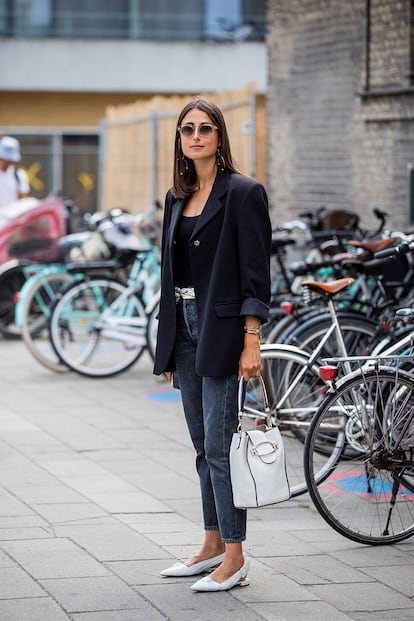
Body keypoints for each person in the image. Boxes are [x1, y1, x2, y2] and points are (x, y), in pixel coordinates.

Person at [154, 97, 271, 592]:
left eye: (205, 128)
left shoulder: (243, 193)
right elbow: (169, 273)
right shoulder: (175, 197)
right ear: (179, 139)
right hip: (182, 325)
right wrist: (167, 342)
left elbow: (255, 274)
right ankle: (210, 544)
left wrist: (252, 339)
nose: (196, 136)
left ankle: (236, 556)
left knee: (222, 448)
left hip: (222, 329)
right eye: (187, 130)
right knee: (202, 446)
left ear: (220, 136)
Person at [0, 136, 30, 207]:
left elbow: (23, 200)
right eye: (5, 160)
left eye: (10, 161)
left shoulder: (19, 175)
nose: (7, 163)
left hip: (12, 216)